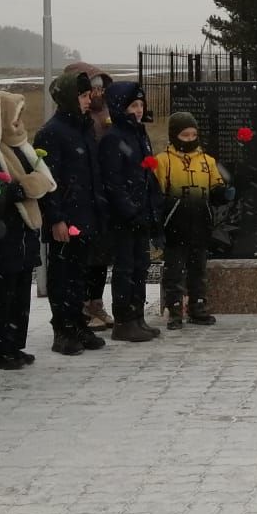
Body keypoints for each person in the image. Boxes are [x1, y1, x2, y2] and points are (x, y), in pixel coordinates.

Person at [35, 71, 109, 355]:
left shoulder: (84, 128)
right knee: (62, 275)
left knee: (80, 274)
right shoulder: (52, 133)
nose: (88, 100)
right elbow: (49, 181)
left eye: (89, 95)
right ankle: (63, 329)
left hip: (87, 214)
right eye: (82, 95)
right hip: (66, 217)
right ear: (68, 98)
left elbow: (91, 173)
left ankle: (78, 324)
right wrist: (56, 218)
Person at [0, 91, 57, 369]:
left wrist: (29, 186)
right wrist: (24, 188)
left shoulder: (22, 146)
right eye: (14, 117)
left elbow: (44, 180)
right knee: (2, 293)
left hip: (25, 229)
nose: (18, 123)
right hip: (7, 229)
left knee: (19, 292)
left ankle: (15, 343)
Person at [98, 80, 163, 342]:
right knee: (125, 268)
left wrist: (152, 207)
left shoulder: (139, 134)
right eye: (133, 105)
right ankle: (124, 319)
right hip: (125, 218)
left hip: (142, 212)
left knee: (140, 266)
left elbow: (147, 174)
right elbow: (113, 181)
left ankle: (137, 316)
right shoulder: (113, 138)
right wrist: (129, 212)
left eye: (140, 104)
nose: (138, 110)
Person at [155, 110, 231, 330]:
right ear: (174, 136)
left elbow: (215, 185)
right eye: (184, 135)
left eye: (192, 135)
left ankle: (198, 307)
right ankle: (175, 310)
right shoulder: (164, 161)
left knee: (198, 269)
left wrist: (221, 192)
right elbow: (157, 192)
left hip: (200, 223)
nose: (189, 139)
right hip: (175, 225)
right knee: (174, 270)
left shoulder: (207, 161)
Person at [64, 62, 116, 331]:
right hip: (85, 197)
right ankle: (84, 306)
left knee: (101, 257)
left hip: (104, 194)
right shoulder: (80, 121)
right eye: (90, 88)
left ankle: (96, 302)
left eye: (100, 87)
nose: (97, 93)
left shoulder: (108, 113)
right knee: (85, 258)